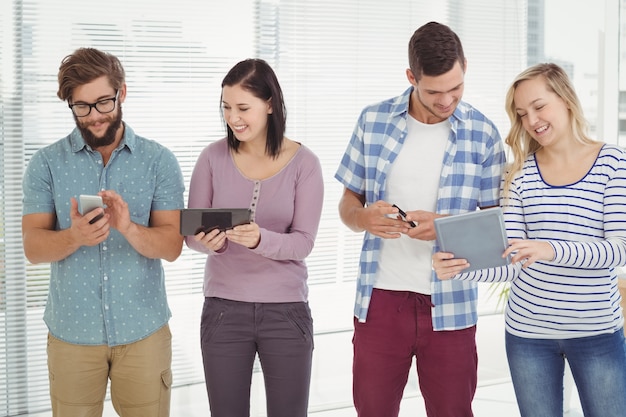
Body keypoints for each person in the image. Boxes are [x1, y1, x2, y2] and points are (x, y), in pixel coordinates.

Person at [432, 63, 626, 417]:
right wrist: (458, 267)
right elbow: (512, 262)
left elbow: (618, 250)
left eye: (539, 106)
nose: (532, 120)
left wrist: (550, 249)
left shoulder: (612, 162)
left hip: (596, 331)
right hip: (528, 335)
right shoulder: (519, 173)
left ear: (566, 99)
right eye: (522, 114)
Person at [334, 21, 507, 417]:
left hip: (452, 306)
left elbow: (496, 228)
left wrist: (444, 226)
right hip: (380, 301)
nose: (447, 100)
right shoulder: (372, 121)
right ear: (411, 77)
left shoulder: (483, 134)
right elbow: (348, 203)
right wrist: (364, 219)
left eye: (456, 88)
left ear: (465, 67)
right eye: (434, 91)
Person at [21, 48, 185, 417]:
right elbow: (32, 247)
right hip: (71, 338)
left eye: (103, 102)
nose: (94, 116)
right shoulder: (45, 164)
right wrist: (74, 237)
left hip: (144, 334)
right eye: (82, 106)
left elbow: (172, 246)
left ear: (122, 93)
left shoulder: (159, 161)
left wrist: (127, 227)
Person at [185, 58, 324, 417]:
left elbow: (304, 242)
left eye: (243, 107)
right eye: (227, 108)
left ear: (270, 104)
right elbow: (191, 235)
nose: (234, 117)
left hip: (286, 313)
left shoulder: (305, 163)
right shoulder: (211, 158)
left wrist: (263, 239)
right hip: (223, 311)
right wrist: (207, 242)